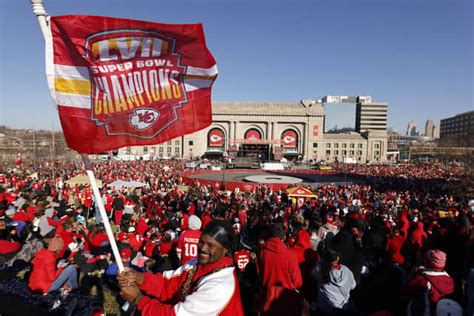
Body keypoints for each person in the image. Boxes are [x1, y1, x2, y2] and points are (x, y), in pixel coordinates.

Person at [117, 219, 244, 315]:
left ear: (225, 250)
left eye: (210, 245)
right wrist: (139, 277)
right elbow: (166, 285)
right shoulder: (195, 264)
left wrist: (138, 299)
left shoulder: (221, 284)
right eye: (201, 242)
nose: (203, 248)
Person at [258, 222, 303, 316]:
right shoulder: (290, 255)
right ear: (284, 237)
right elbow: (298, 282)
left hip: (267, 299)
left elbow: (259, 273)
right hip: (286, 301)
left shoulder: (262, 252)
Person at [311, 247, 356, 315]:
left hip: (325, 308)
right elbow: (353, 286)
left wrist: (322, 261)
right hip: (343, 307)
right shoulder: (347, 270)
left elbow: (312, 273)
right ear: (337, 258)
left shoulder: (319, 269)